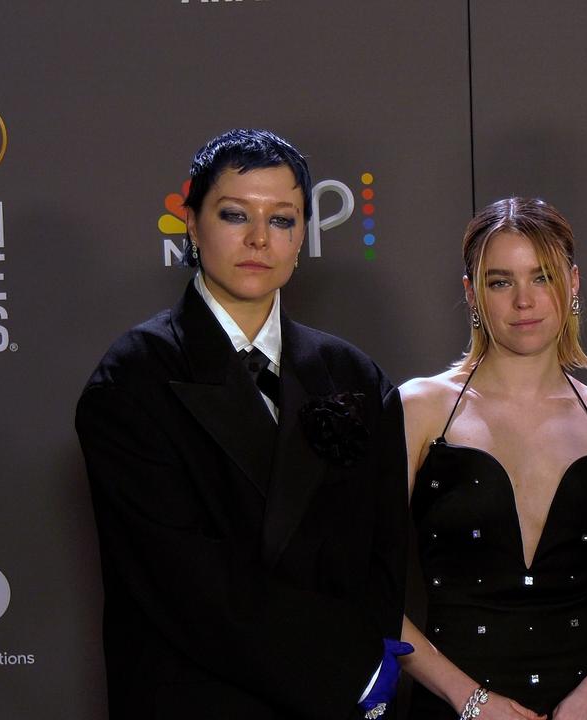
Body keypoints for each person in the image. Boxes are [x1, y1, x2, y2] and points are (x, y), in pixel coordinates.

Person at [75, 129, 410, 719]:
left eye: (282, 220)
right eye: (235, 214)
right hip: (195, 700)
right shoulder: (131, 380)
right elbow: (184, 588)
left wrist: (371, 677)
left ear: (304, 234)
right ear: (192, 223)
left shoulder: (354, 375)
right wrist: (348, 672)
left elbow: (383, 559)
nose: (259, 239)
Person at [399, 198, 587, 719]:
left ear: (574, 283)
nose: (525, 300)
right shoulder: (421, 410)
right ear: (471, 293)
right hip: (453, 709)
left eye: (542, 277)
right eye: (501, 281)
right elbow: (367, 585)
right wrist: (470, 701)